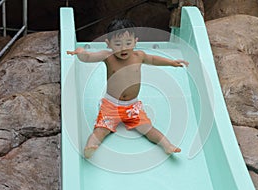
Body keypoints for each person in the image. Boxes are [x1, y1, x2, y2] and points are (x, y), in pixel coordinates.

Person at [67, 19, 189, 159]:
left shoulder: (139, 56)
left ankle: (167, 145)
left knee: (148, 128)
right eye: (118, 44)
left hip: (132, 107)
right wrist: (81, 52)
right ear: (108, 44)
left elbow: (154, 59)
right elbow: (88, 57)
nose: (123, 48)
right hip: (111, 106)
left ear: (135, 42)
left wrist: (172, 63)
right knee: (100, 130)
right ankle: (91, 146)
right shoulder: (108, 57)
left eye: (128, 43)